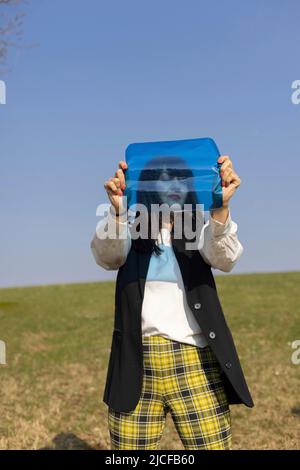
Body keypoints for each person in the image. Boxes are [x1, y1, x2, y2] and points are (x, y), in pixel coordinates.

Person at [91, 155, 254, 450]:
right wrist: (116, 213)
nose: (175, 184)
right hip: (136, 362)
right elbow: (107, 257)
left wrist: (221, 208)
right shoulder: (129, 226)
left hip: (195, 362)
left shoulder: (199, 228)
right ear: (150, 185)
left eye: (181, 177)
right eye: (165, 177)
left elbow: (225, 258)